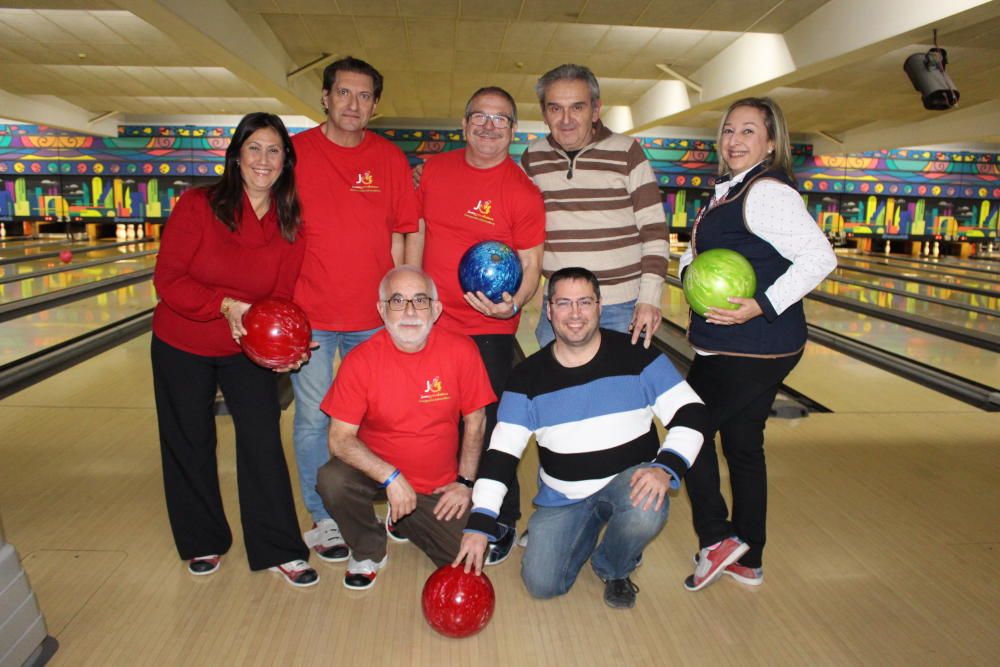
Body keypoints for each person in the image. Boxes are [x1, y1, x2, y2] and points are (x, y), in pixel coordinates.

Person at [454, 267, 708, 609]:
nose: (575, 314)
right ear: (548, 310)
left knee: (647, 507)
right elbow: (502, 453)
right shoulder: (526, 377)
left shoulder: (636, 354)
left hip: (628, 483)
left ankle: (614, 565)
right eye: (564, 303)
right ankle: (584, 527)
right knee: (542, 584)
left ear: (600, 307)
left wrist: (666, 466)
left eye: (585, 302)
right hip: (565, 495)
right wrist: (480, 520)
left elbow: (691, 410)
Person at [151, 112, 318, 588]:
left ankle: (279, 547)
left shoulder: (291, 222)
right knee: (189, 439)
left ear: (286, 161)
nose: (264, 160)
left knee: (262, 439)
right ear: (236, 156)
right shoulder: (198, 205)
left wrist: (291, 343)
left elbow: (282, 297)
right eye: (254, 149)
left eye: (274, 151)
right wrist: (222, 304)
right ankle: (202, 539)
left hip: (247, 347)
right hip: (182, 338)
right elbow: (169, 281)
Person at [678, 97, 837, 592]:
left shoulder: (765, 192)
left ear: (771, 142)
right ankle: (750, 556)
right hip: (737, 344)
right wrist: (689, 272)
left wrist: (761, 304)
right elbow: (695, 253)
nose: (734, 140)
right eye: (728, 130)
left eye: (748, 131)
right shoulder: (727, 191)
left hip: (753, 344)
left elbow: (819, 257)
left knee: (688, 432)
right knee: (743, 446)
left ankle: (717, 538)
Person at [407, 86, 546, 565]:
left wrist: (514, 307)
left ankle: (500, 515)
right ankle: (427, 507)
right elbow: (415, 232)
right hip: (432, 323)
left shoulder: (522, 191)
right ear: (464, 124)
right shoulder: (435, 172)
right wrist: (407, 297)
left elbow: (531, 264)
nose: (489, 127)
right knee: (429, 420)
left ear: (513, 130)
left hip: (490, 330)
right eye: (480, 117)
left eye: (501, 119)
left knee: (489, 428)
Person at [290, 56, 420, 564]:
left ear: (375, 105)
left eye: (364, 96)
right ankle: (324, 518)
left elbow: (407, 232)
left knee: (385, 418)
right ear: (325, 96)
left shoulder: (388, 159)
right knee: (311, 421)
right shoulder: (296, 154)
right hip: (311, 315)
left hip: (373, 319)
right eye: (344, 93)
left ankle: (393, 501)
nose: (353, 104)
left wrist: (407, 305)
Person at [316, 266, 495, 590]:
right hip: (377, 475)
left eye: (420, 300)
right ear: (381, 309)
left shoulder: (462, 351)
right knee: (332, 479)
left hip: (437, 486)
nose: (410, 311)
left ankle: (404, 519)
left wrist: (465, 482)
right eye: (397, 301)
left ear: (436, 309)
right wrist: (391, 477)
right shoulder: (360, 361)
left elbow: (476, 421)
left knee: (469, 563)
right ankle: (369, 548)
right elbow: (339, 440)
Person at [521, 64, 668, 349]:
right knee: (556, 391)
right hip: (559, 308)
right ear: (544, 113)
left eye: (577, 107)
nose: (566, 119)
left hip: (621, 307)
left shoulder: (627, 152)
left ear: (596, 109)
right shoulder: (532, 158)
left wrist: (649, 299)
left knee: (622, 393)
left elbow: (654, 232)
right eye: (555, 108)